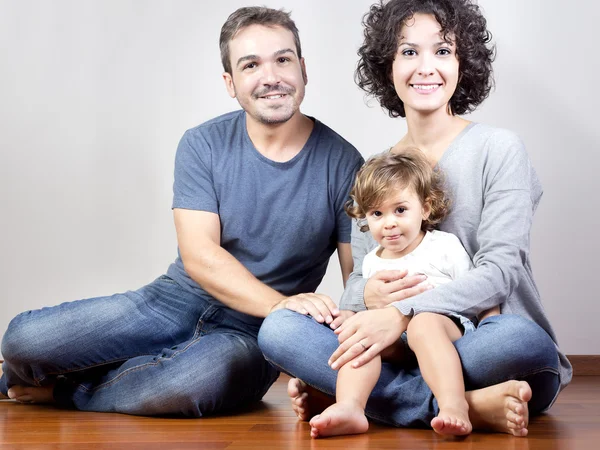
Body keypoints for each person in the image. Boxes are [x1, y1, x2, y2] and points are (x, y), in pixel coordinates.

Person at [0, 6, 364, 417]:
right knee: (21, 340)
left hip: (253, 334)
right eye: (251, 65)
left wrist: (308, 344)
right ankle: (72, 376)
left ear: (303, 69)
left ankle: (68, 392)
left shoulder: (345, 164)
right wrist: (279, 304)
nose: (271, 77)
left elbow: (358, 282)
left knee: (189, 382)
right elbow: (200, 256)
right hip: (174, 300)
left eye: (283, 59)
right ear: (230, 82)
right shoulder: (202, 144)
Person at [258, 0, 572, 438]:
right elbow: (356, 285)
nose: (426, 67)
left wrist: (402, 313)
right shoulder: (375, 170)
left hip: (484, 344)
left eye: (442, 51)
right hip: (396, 352)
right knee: (279, 330)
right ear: (388, 65)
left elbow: (501, 271)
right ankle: (468, 406)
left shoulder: (499, 149)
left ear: (464, 63)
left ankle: (366, 399)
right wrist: (368, 296)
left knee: (518, 339)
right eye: (409, 52)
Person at [310, 149, 500, 438]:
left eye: (400, 210)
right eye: (377, 213)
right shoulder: (372, 260)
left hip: (442, 327)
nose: (389, 223)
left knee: (423, 323)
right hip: (394, 340)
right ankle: (350, 406)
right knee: (358, 339)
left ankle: (453, 404)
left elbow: (478, 291)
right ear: (365, 217)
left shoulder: (443, 246)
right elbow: (370, 313)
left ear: (424, 209)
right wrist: (348, 319)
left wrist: (492, 328)